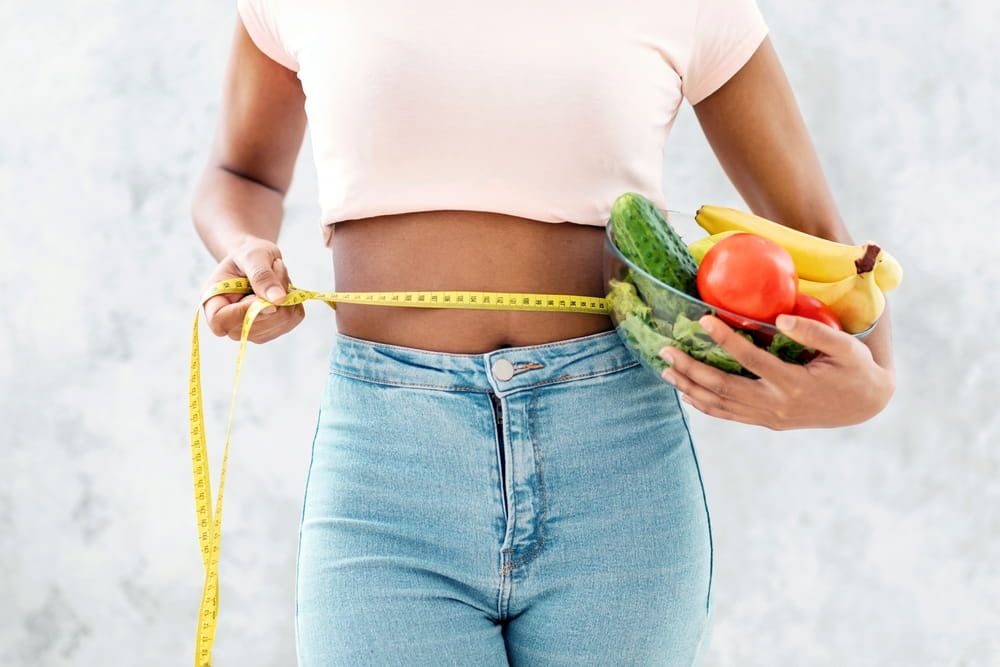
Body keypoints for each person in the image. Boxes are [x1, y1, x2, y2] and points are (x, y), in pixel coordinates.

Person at [191, 0, 896, 664]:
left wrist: (871, 386)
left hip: (618, 467)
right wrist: (247, 250)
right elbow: (239, 170)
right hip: (388, 466)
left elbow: (824, 240)